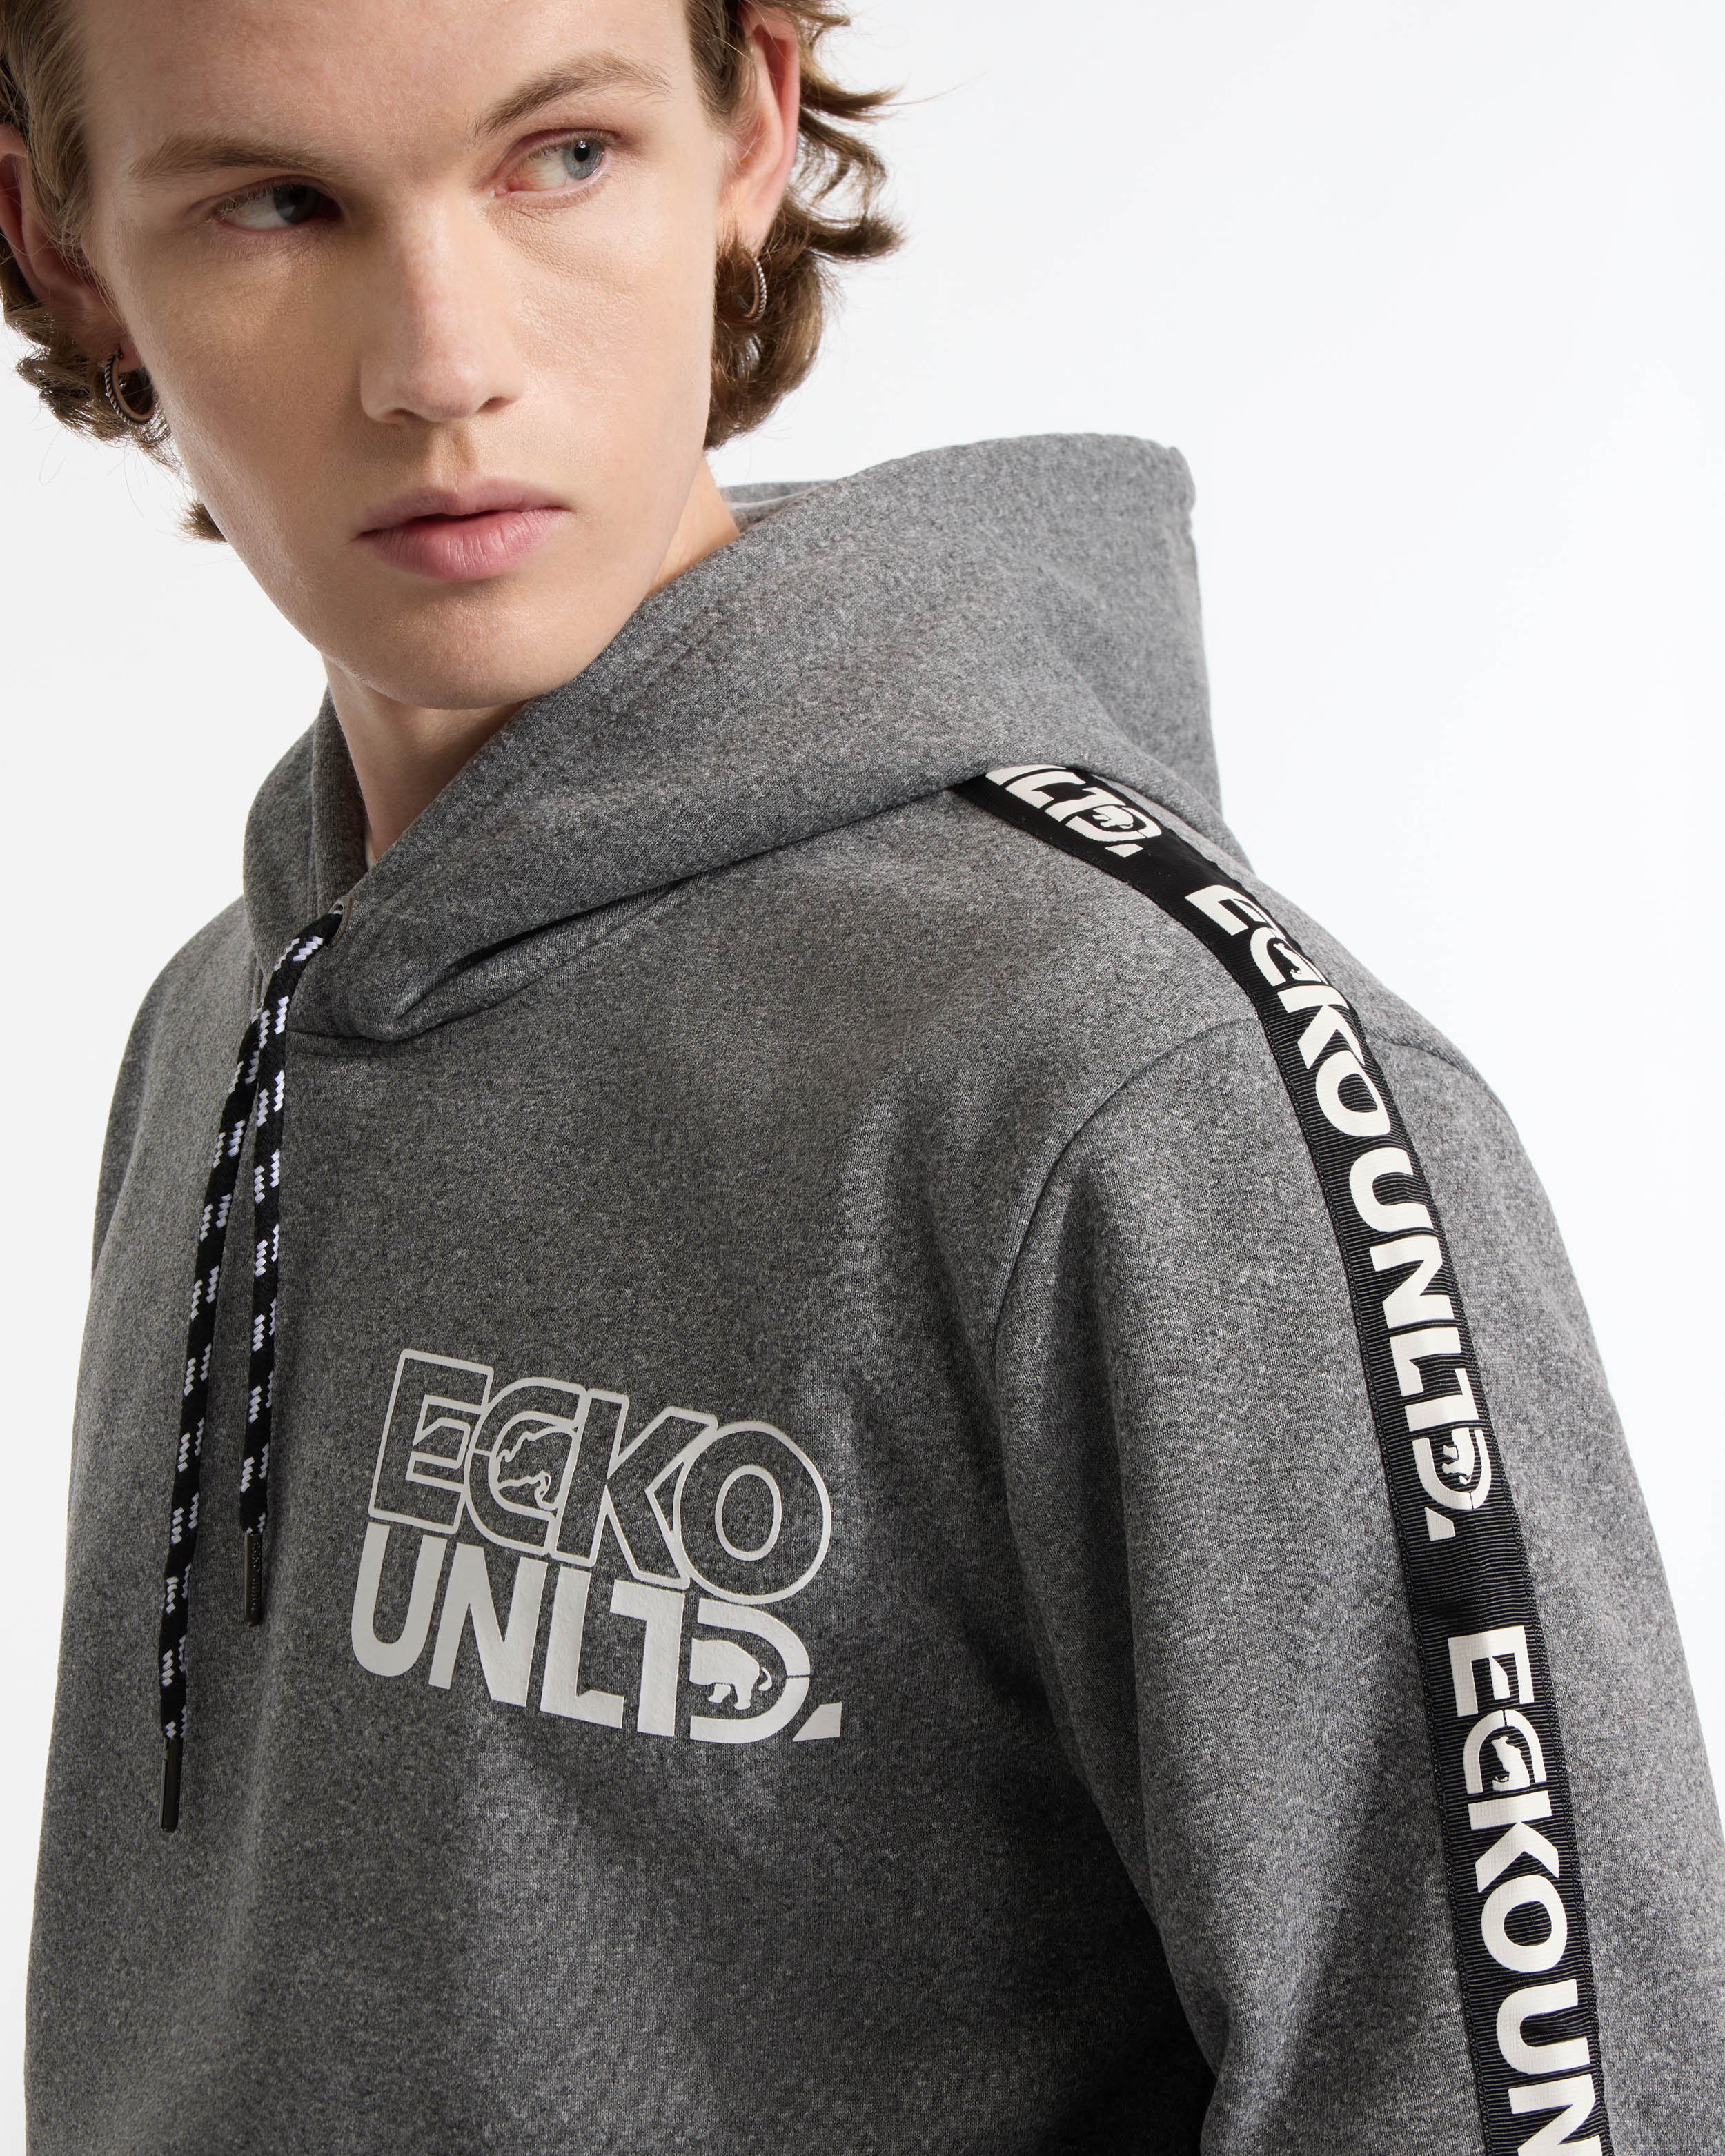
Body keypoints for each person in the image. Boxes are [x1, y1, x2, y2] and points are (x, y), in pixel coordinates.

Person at [3, 0, 1721, 2150]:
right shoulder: (224, 1022)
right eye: (278, 203)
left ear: (750, 126)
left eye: (560, 157)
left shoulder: (1133, 1082)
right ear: (65, 245)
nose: (438, 363)